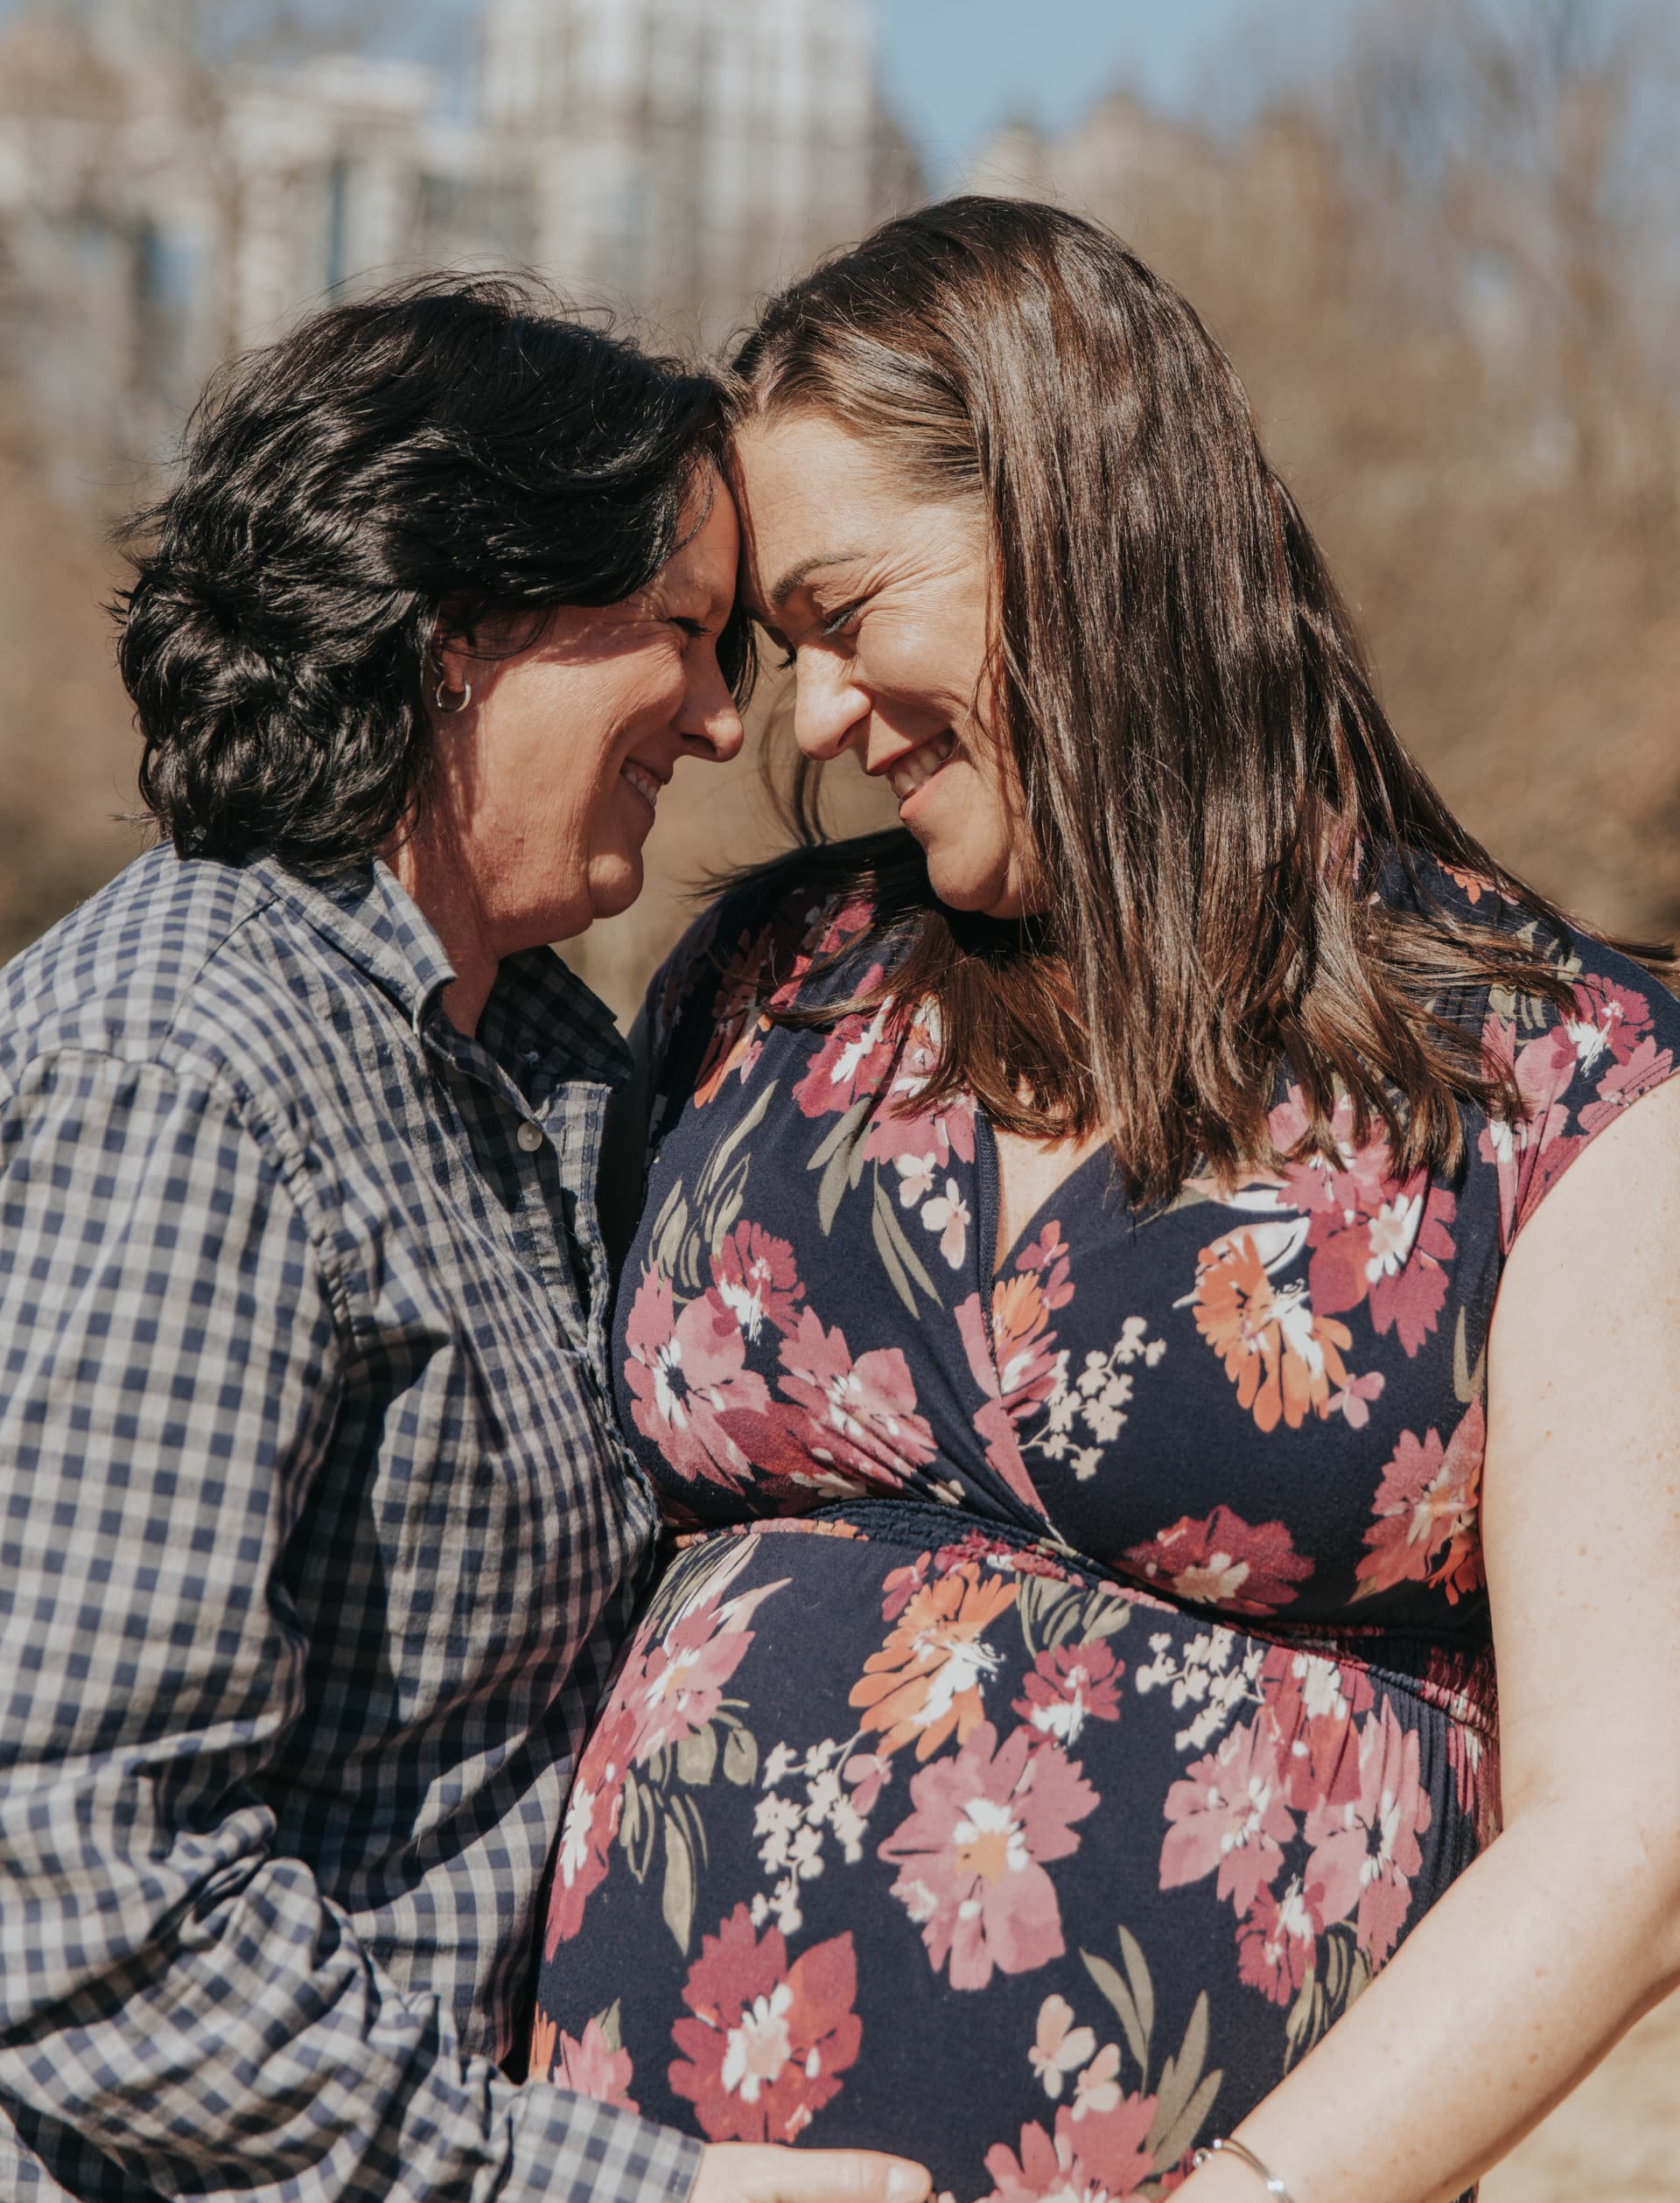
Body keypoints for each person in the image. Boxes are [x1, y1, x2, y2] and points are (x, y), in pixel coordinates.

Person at [529, 201, 1680, 2203]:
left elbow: (1640, 1824)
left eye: (841, 612)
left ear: (1072, 521)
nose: (807, 720)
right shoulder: (764, 987)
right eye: (775, 649)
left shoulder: (1562, 1082)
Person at [0, 276, 929, 2203]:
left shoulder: (522, 1049)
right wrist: (592, 2187)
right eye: (679, 633)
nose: (725, 711)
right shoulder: (187, 1069)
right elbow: (67, 1881)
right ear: (457, 635)